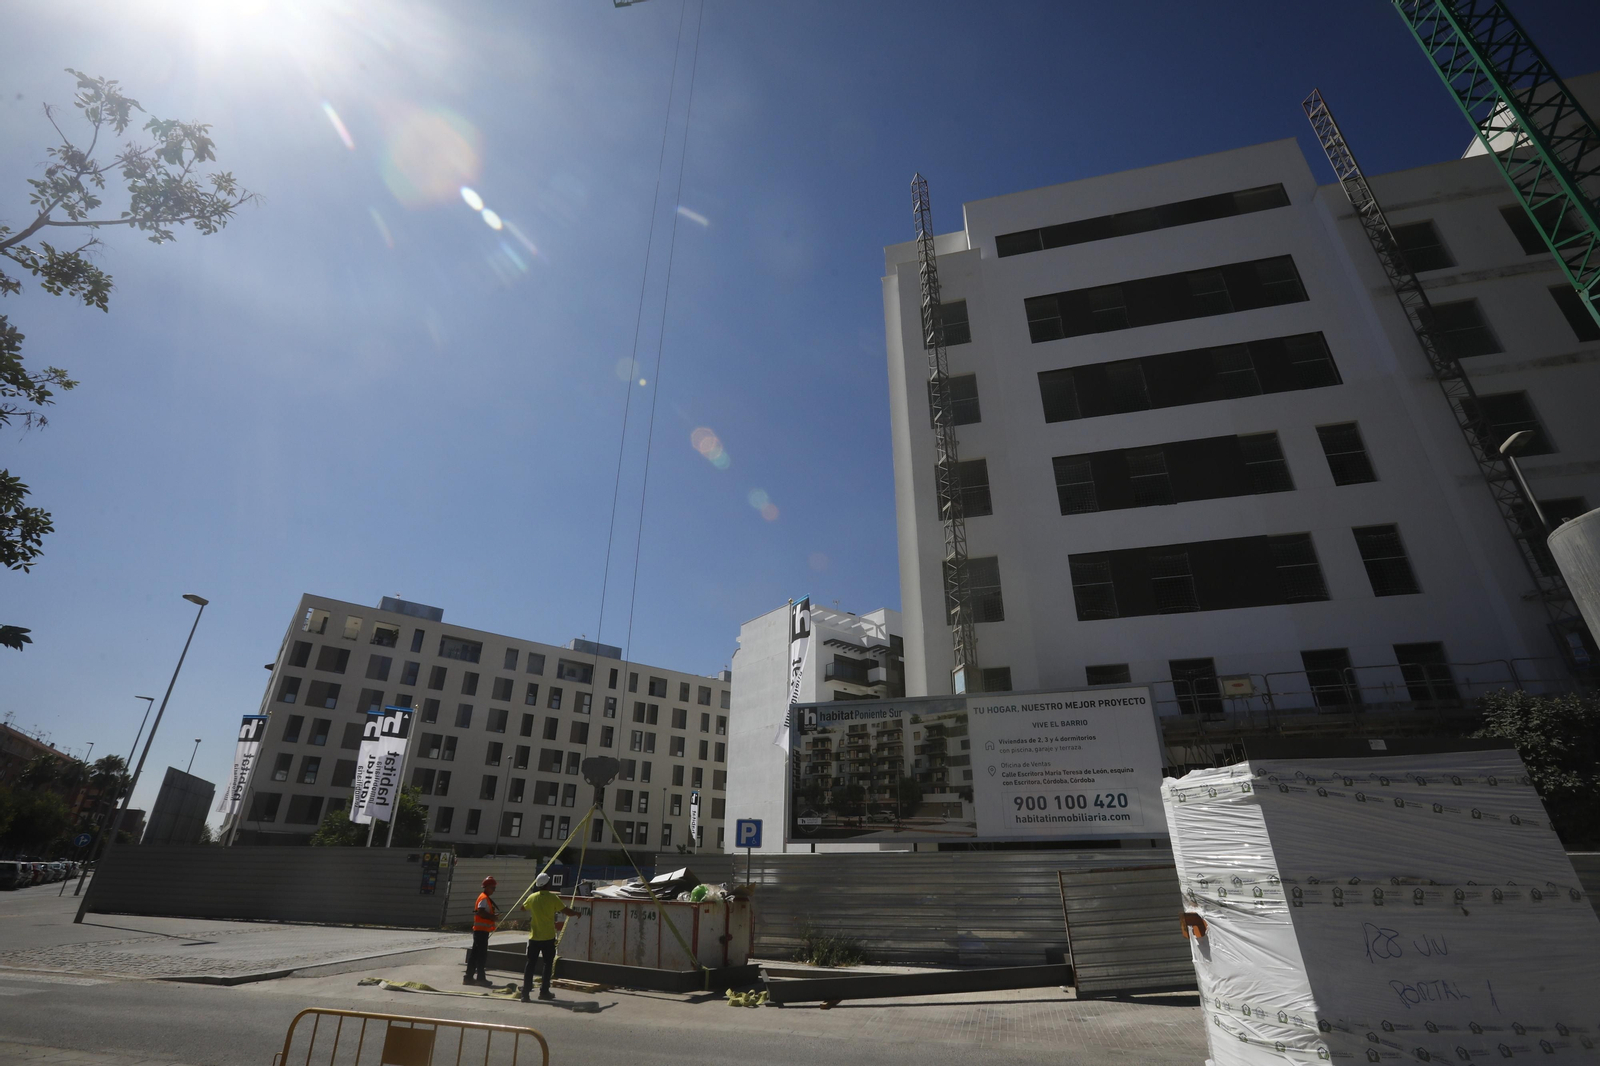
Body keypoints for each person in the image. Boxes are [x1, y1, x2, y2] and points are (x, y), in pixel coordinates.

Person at [520, 872, 579, 1002]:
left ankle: (525, 993)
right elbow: (567, 912)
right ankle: (544, 992)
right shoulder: (552, 898)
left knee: (530, 964)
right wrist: (576, 913)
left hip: (534, 937)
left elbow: (522, 908)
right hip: (548, 938)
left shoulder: (532, 897)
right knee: (547, 964)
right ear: (547, 884)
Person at [464, 876, 498, 986]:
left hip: (481, 931)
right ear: (487, 887)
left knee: (475, 954)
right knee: (481, 955)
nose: (494, 890)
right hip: (481, 931)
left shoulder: (485, 898)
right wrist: (492, 918)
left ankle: (469, 977)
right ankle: (480, 978)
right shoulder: (484, 898)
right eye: (493, 888)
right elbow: (481, 912)